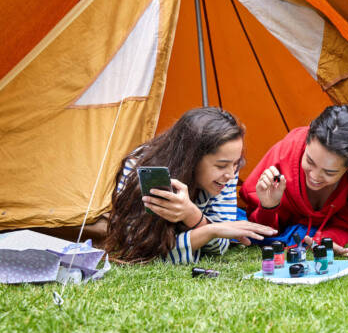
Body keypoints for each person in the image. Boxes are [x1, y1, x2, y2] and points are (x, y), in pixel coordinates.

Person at [105, 106, 276, 263]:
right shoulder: (141, 167)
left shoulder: (225, 175)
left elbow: (219, 247)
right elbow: (138, 250)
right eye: (221, 165)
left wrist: (192, 215)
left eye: (236, 164)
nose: (231, 175)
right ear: (191, 159)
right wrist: (210, 230)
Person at [240, 105, 348, 257]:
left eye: (329, 172)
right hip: (281, 226)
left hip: (324, 229)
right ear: (306, 143)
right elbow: (259, 230)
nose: (314, 176)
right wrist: (268, 207)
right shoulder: (281, 158)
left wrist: (328, 240)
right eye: (310, 161)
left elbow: (347, 225)